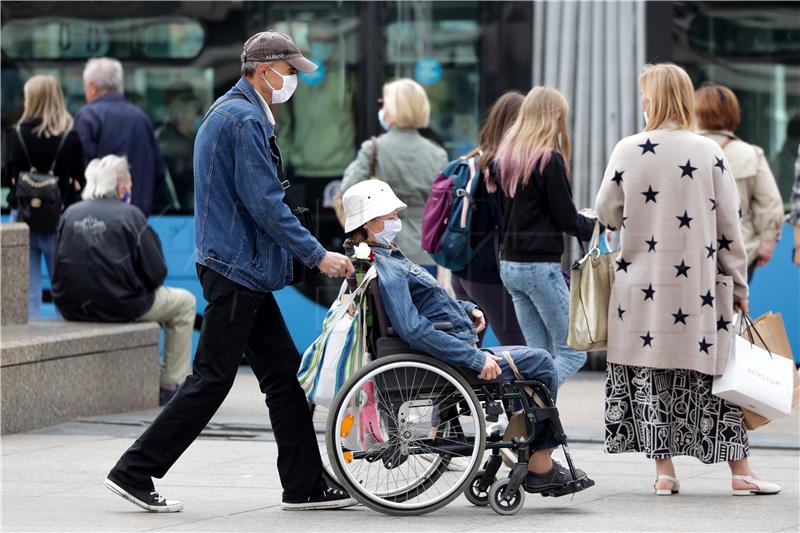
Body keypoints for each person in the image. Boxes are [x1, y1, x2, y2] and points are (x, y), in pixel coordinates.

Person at [104, 31, 356, 514]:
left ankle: (303, 485)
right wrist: (316, 254)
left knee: (283, 375)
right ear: (264, 71)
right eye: (289, 72)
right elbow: (267, 205)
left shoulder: (238, 112)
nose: (293, 81)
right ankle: (135, 470)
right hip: (237, 269)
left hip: (242, 270)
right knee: (213, 379)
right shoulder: (242, 120)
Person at [595, 63, 780, 496]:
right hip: (698, 293)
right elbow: (730, 229)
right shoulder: (709, 153)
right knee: (718, 381)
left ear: (651, 100)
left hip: (638, 295)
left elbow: (606, 211)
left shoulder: (627, 149)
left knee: (650, 379)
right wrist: (739, 288)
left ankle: (664, 472)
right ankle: (740, 472)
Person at [341, 179, 594, 494]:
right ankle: (540, 464)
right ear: (369, 222)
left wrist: (465, 309)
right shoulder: (387, 268)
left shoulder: (382, 258)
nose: (396, 222)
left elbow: (425, 308)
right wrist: (475, 358)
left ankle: (525, 446)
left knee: (531, 364)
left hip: (447, 353)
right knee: (541, 363)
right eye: (390, 216)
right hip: (449, 361)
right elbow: (412, 328)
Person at [52, 155, 194, 406]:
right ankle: (170, 384)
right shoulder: (131, 215)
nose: (130, 189)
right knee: (185, 303)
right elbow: (156, 273)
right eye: (129, 184)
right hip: (122, 306)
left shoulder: (70, 214)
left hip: (71, 307)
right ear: (120, 187)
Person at [494, 87, 595, 385]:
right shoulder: (548, 160)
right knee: (574, 353)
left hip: (510, 266)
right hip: (540, 268)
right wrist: (593, 224)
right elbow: (565, 218)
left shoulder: (504, 159)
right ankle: (529, 404)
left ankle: (536, 426)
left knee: (539, 354)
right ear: (553, 119)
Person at [341, 78, 447, 275]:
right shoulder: (437, 154)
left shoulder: (373, 149)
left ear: (392, 110)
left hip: (381, 249)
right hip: (424, 251)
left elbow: (347, 189)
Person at [4, 75, 85, 316]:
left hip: (21, 219)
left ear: (31, 100)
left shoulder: (14, 134)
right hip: (57, 220)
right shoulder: (70, 138)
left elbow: (9, 177)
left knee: (24, 294)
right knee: (62, 289)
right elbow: (81, 179)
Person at [452, 91, 525, 346]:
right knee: (521, 349)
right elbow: (506, 221)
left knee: (467, 352)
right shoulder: (499, 166)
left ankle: (452, 388)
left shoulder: (473, 159)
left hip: (462, 270)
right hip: (488, 272)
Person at [695, 83, 784, 281]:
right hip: (740, 251)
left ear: (697, 115)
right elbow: (770, 204)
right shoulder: (751, 154)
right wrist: (765, 246)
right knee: (734, 310)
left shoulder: (681, 152)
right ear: (733, 115)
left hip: (690, 253)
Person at [74, 57, 166, 216]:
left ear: (92, 87)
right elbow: (158, 172)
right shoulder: (140, 117)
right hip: (138, 217)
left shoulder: (88, 116)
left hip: (98, 218)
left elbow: (80, 170)